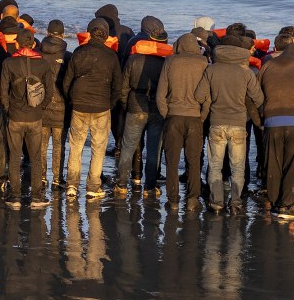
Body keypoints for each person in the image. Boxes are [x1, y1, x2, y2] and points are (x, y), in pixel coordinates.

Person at [196, 26, 264, 214]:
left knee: (215, 166)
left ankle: (217, 203)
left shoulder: (212, 69)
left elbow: (199, 95)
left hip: (216, 122)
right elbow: (259, 99)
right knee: (238, 167)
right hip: (238, 124)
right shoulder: (246, 72)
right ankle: (235, 203)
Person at [257, 33, 294, 219]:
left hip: (272, 122)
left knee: (273, 163)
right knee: (293, 164)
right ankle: (287, 204)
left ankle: (275, 203)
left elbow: (257, 98)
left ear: (276, 47)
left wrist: (260, 120)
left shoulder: (267, 66)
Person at [63, 18, 122, 200]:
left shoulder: (79, 52)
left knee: (76, 146)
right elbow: (117, 87)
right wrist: (110, 104)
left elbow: (67, 82)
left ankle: (72, 185)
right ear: (106, 36)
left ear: (89, 33)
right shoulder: (111, 56)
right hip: (101, 107)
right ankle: (93, 186)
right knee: (98, 148)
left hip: (80, 105)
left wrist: (72, 99)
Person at [115, 18, 171, 197]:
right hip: (156, 108)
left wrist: (125, 104)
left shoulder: (134, 58)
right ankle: (149, 187)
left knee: (128, 147)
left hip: (135, 105)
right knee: (154, 148)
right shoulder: (167, 62)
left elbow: (124, 86)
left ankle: (122, 185)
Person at [0, 28, 56, 209]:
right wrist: (41, 108)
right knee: (36, 158)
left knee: (15, 157)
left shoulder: (9, 62)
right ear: (33, 44)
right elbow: (49, 91)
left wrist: (9, 109)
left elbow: (3, 92)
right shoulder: (44, 63)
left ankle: (15, 197)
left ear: (17, 43)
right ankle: (37, 198)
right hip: (35, 116)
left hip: (15, 116)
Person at [156, 33, 209, 211]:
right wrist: (202, 116)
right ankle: (193, 200)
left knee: (172, 161)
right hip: (195, 118)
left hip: (173, 117)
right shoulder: (203, 62)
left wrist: (167, 114)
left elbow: (160, 95)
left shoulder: (170, 61)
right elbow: (207, 97)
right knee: (194, 161)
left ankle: (173, 201)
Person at [39, 20, 70, 191]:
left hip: (41, 105)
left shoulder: (38, 53)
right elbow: (68, 82)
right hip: (61, 107)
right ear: (63, 35)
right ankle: (58, 179)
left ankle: (42, 177)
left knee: (42, 144)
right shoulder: (68, 56)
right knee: (59, 144)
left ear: (48, 33)